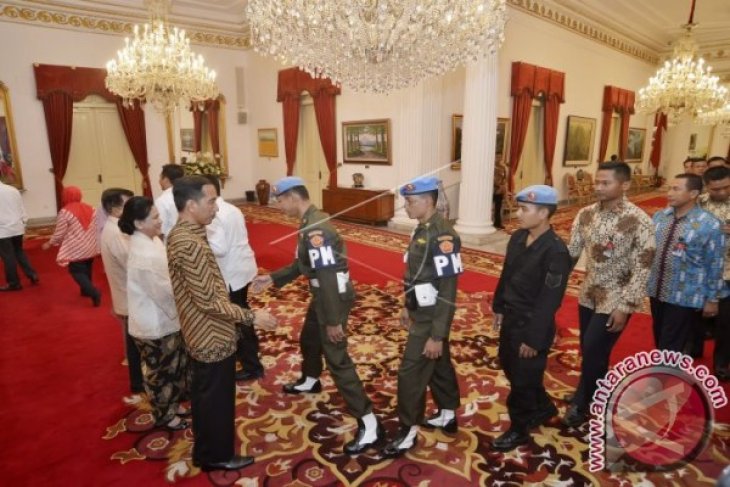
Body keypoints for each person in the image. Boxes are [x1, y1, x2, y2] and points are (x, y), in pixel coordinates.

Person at [251, 176, 383, 455]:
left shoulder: (316, 230)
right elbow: (303, 263)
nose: (278, 205)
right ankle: (310, 379)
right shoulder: (309, 221)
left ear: (294, 197)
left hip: (331, 299)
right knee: (310, 339)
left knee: (337, 358)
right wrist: (272, 279)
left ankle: (369, 422)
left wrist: (334, 320)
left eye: (280, 199)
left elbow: (328, 276)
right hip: (322, 295)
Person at [166, 175, 277, 472]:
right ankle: (216, 456)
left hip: (201, 329)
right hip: (210, 335)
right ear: (191, 205)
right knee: (215, 400)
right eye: (211, 201)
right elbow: (209, 302)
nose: (216, 208)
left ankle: (206, 451)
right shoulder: (190, 243)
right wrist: (254, 317)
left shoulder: (183, 234)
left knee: (206, 396)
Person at [563, 161, 656, 428]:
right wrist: (554, 282)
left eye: (606, 183)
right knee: (591, 350)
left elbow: (643, 265)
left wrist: (626, 306)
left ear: (624, 184)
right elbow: (572, 252)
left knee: (593, 348)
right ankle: (594, 391)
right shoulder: (586, 214)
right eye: (597, 182)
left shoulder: (640, 220)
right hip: (588, 293)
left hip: (616, 297)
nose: (599, 187)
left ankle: (582, 401)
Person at [378, 176, 463, 459]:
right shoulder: (423, 228)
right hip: (421, 309)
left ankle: (408, 430)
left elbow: (448, 290)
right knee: (438, 366)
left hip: (431, 319)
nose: (406, 206)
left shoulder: (443, 235)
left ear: (428, 201)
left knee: (410, 374)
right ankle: (448, 414)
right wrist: (407, 305)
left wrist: (437, 335)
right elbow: (415, 274)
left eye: (411, 201)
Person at [491, 185, 572, 451]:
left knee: (523, 380)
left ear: (544, 213)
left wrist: (534, 338)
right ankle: (543, 407)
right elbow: (507, 275)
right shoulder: (517, 238)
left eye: (524, 209)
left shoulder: (556, 251)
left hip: (531, 325)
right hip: (511, 317)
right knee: (510, 366)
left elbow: (550, 300)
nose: (518, 213)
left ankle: (519, 428)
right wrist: (499, 306)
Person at [120, 196, 190, 431]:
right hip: (155, 324)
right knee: (161, 373)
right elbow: (162, 294)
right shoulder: (144, 254)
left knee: (175, 367)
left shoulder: (152, 241)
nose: (161, 221)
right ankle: (164, 415)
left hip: (167, 319)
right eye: (155, 217)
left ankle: (172, 404)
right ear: (139, 224)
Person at [647, 174, 725, 353]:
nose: (669, 193)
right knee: (660, 338)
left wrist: (713, 299)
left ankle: (665, 378)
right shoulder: (660, 217)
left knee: (671, 344)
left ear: (693, 193)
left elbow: (715, 263)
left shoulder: (709, 224)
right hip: (656, 289)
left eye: (676, 189)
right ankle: (666, 373)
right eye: (669, 188)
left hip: (685, 294)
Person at [204, 175, 264, 382]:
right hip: (242, 268)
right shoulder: (232, 208)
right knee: (242, 311)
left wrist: (199, 241)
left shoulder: (215, 214)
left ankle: (252, 365)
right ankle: (251, 353)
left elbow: (219, 249)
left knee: (238, 317)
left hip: (230, 272)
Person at [99, 188, 143, 395]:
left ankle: (139, 383)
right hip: (130, 296)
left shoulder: (116, 228)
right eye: (128, 204)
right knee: (135, 345)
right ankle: (139, 384)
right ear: (115, 208)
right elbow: (132, 264)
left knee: (134, 344)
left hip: (128, 294)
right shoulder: (116, 232)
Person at [42, 186, 101, 306]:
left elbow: (59, 233)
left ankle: (93, 292)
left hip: (76, 249)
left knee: (77, 271)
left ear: (65, 196)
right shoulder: (92, 208)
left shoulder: (65, 212)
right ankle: (85, 291)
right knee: (87, 267)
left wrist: (50, 243)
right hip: (91, 246)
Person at [699, 166, 730, 380]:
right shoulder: (698, 202)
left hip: (728, 271)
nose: (722, 192)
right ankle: (692, 349)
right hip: (701, 269)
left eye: (726, 187)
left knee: (726, 321)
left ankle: (721, 363)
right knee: (694, 317)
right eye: (715, 189)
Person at [0, 179, 38, 290]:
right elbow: (21, 208)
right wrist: (23, 223)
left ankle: (14, 283)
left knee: (8, 257)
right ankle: (32, 274)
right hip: (17, 228)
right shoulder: (13, 190)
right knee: (19, 252)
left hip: (3, 230)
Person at [155, 164, 185, 239]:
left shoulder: (162, 200)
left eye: (160, 178)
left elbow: (160, 230)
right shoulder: (187, 195)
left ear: (166, 179)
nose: (159, 181)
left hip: (171, 243)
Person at [493, 159, 508, 229]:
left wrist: (502, 186)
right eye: (497, 156)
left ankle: (498, 223)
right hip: (491, 190)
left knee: (498, 208)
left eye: (500, 156)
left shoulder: (503, 167)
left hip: (499, 190)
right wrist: (497, 185)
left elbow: (505, 178)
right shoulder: (491, 167)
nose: (498, 158)